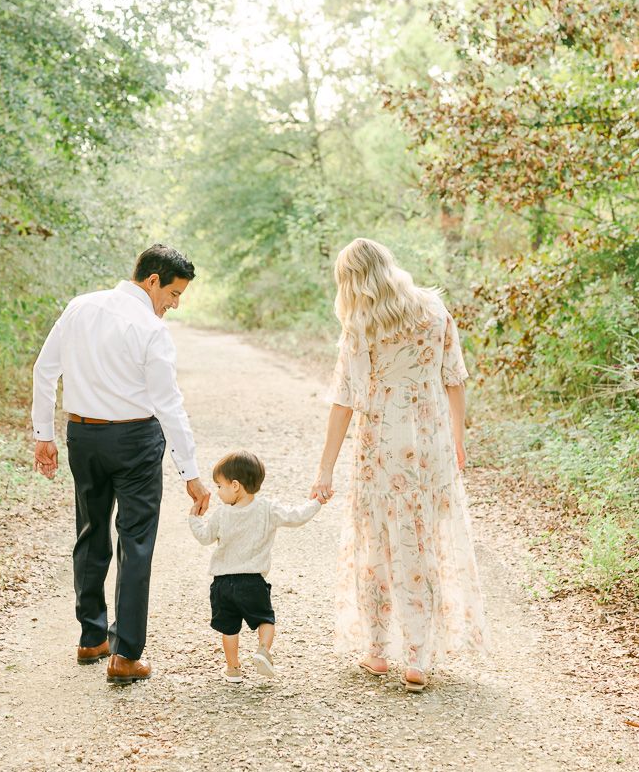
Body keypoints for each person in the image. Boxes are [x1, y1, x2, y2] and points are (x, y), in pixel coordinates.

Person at [311, 238, 487, 692]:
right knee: (420, 541)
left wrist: (325, 468)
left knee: (378, 542)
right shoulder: (435, 311)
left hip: (381, 444)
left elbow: (344, 402)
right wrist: (457, 441)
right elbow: (455, 381)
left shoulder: (361, 323)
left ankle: (376, 651)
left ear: (353, 281)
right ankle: (417, 659)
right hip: (430, 442)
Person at [31, 243, 210, 684]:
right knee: (136, 542)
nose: (174, 304)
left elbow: (43, 370)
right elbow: (169, 405)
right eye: (173, 293)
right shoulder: (150, 328)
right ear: (153, 280)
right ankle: (125, 654)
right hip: (134, 440)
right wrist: (191, 474)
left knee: (90, 531)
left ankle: (92, 636)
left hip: (83, 436)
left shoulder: (80, 307)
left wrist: (44, 436)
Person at [189, 449, 321, 682]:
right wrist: (316, 502)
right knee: (265, 619)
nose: (218, 492)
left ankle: (233, 670)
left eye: (220, 486)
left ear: (235, 485)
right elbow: (296, 516)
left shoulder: (222, 514)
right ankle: (263, 650)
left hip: (223, 583)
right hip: (253, 582)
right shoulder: (268, 508)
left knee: (229, 629)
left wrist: (194, 518)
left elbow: (204, 537)